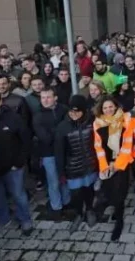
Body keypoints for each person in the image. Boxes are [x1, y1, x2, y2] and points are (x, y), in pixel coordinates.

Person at [0, 90, 33, 236]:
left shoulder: (13, 118)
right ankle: (4, 220)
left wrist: (20, 162)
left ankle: (25, 219)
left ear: (0, 102)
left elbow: (26, 140)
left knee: (18, 195)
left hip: (13, 167)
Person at [54, 95, 99, 227]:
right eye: (71, 111)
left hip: (90, 164)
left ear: (84, 111)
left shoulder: (91, 123)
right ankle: (79, 213)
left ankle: (90, 210)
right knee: (76, 193)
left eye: (77, 111)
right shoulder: (63, 127)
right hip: (73, 168)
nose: (74, 114)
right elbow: (59, 152)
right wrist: (61, 172)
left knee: (89, 189)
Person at [93, 96, 132, 241]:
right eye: (105, 108)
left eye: (111, 107)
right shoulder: (98, 123)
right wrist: (104, 165)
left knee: (120, 193)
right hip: (107, 163)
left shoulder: (125, 120)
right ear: (101, 110)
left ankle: (119, 221)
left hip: (121, 162)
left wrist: (116, 165)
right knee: (109, 191)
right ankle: (116, 208)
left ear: (115, 107)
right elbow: (98, 146)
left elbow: (127, 144)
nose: (108, 110)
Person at [33, 87, 70, 219]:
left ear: (55, 98)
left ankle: (67, 202)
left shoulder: (64, 109)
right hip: (49, 153)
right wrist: (60, 129)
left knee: (65, 179)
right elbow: (45, 138)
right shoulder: (38, 115)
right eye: (43, 97)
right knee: (53, 181)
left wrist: (56, 131)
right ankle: (56, 207)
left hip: (65, 150)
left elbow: (69, 128)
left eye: (48, 97)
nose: (45, 100)